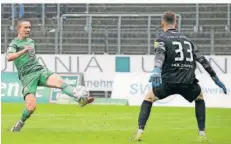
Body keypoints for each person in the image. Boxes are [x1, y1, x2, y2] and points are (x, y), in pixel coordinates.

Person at [131, 11, 227, 142]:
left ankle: (140, 132)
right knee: (199, 97)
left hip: (168, 82)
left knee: (148, 98)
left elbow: (160, 54)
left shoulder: (161, 39)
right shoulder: (188, 41)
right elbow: (203, 60)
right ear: (176, 23)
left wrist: (157, 69)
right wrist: (215, 78)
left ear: (162, 23)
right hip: (188, 82)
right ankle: (202, 134)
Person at [7, 19, 94, 132]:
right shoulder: (15, 43)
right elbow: (9, 57)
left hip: (39, 70)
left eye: (29, 27)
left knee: (60, 83)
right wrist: (23, 51)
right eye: (26, 27)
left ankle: (81, 99)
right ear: (19, 29)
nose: (28, 30)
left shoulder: (31, 41)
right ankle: (20, 123)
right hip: (27, 77)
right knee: (31, 108)